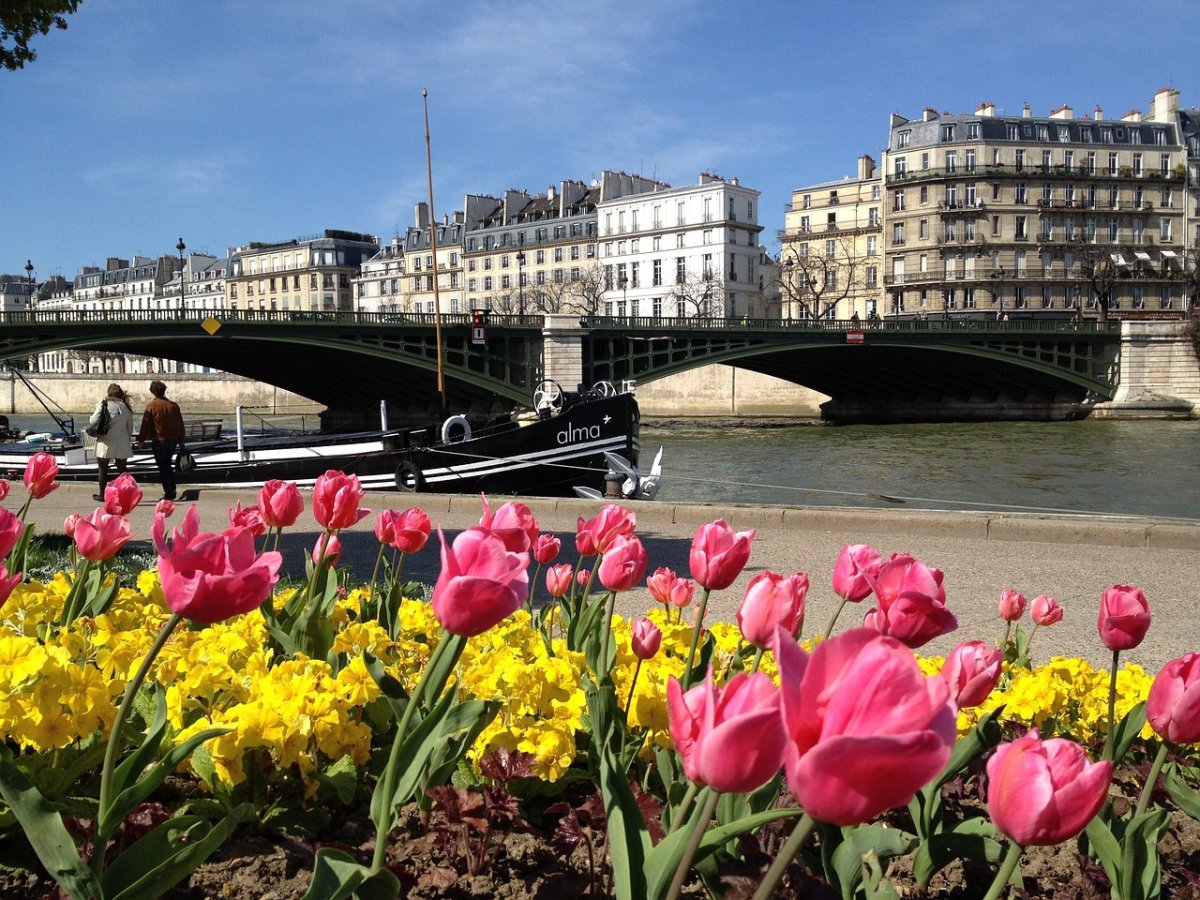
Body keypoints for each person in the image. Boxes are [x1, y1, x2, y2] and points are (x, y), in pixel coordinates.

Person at [137, 380, 186, 501]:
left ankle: (169, 492)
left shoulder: (152, 406)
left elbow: (146, 425)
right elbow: (180, 423)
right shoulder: (173, 406)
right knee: (168, 465)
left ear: (153, 392)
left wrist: (141, 440)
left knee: (163, 467)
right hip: (173, 440)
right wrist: (181, 440)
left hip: (160, 440)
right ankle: (172, 489)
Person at [90, 383, 135, 501]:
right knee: (122, 469)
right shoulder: (126, 407)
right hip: (122, 440)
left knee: (103, 468)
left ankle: (102, 494)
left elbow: (93, 420)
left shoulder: (104, 404)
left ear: (108, 393)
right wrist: (127, 438)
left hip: (106, 440)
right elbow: (130, 427)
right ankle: (127, 493)